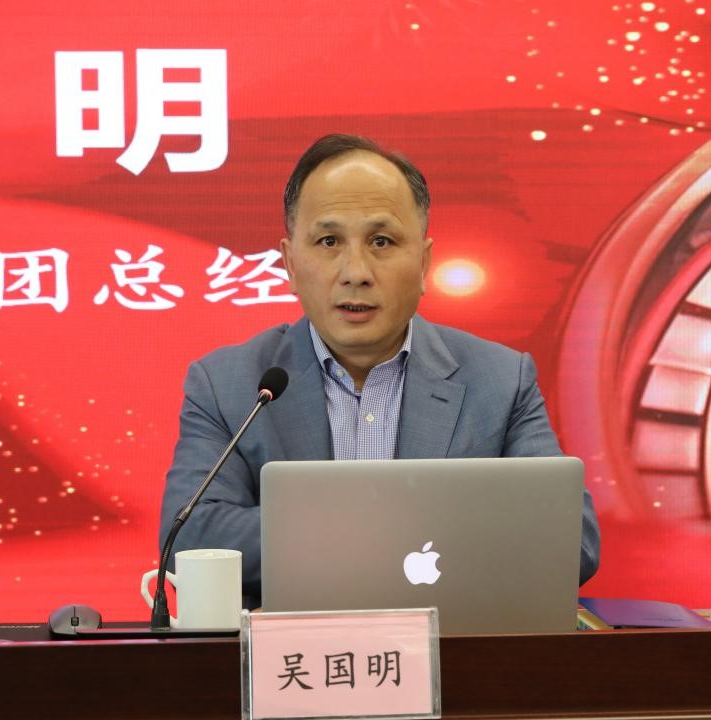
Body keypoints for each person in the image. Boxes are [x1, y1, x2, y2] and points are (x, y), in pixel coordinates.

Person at [160, 134, 599, 608]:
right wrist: (401, 534)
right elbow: (190, 537)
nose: (357, 272)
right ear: (289, 264)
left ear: (425, 262)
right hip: (292, 650)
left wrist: (344, 536)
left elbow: (572, 542)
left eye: (382, 241)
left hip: (451, 646)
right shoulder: (230, 384)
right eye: (329, 241)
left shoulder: (499, 380)